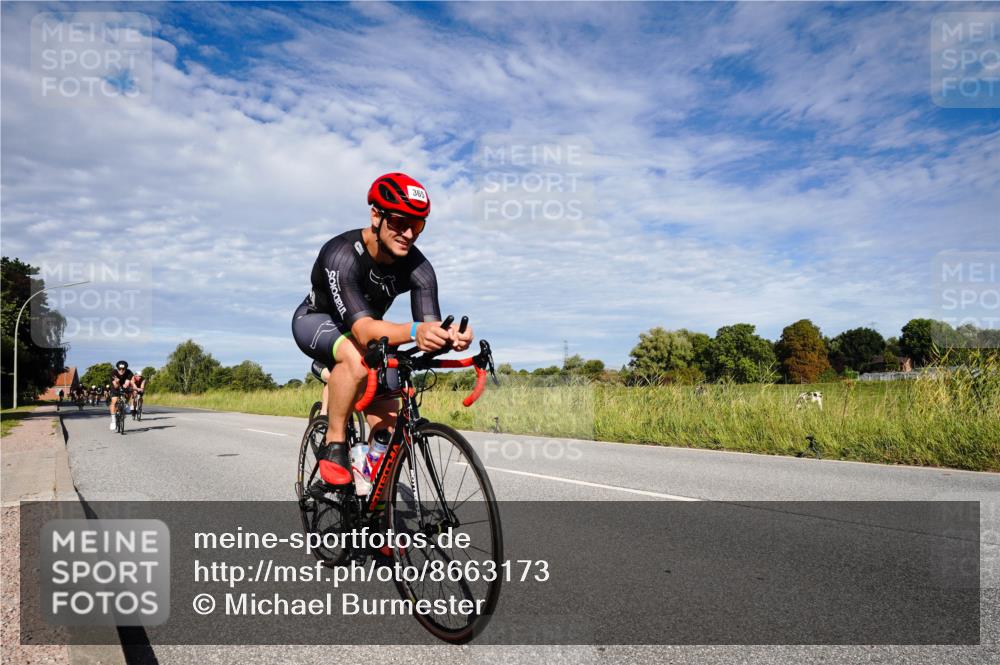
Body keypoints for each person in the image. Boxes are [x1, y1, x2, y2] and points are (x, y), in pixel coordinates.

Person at [292, 172, 472, 485]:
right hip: (319, 322)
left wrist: (448, 335)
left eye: (416, 226)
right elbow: (362, 331)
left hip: (369, 334)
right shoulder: (342, 253)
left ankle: (372, 497)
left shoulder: (420, 268)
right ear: (376, 215)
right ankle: (333, 443)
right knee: (356, 359)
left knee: (389, 419)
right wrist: (415, 330)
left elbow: (427, 326)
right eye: (400, 222)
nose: (408, 234)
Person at [108, 360, 133, 430]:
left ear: (126, 369)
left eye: (123, 369)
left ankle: (126, 403)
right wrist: (117, 382)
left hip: (124, 386)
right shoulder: (113, 373)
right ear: (117, 369)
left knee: (129, 392)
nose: (121, 370)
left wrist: (125, 386)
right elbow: (115, 386)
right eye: (120, 369)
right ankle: (113, 421)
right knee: (114, 401)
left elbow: (127, 383)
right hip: (115, 387)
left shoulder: (129, 372)